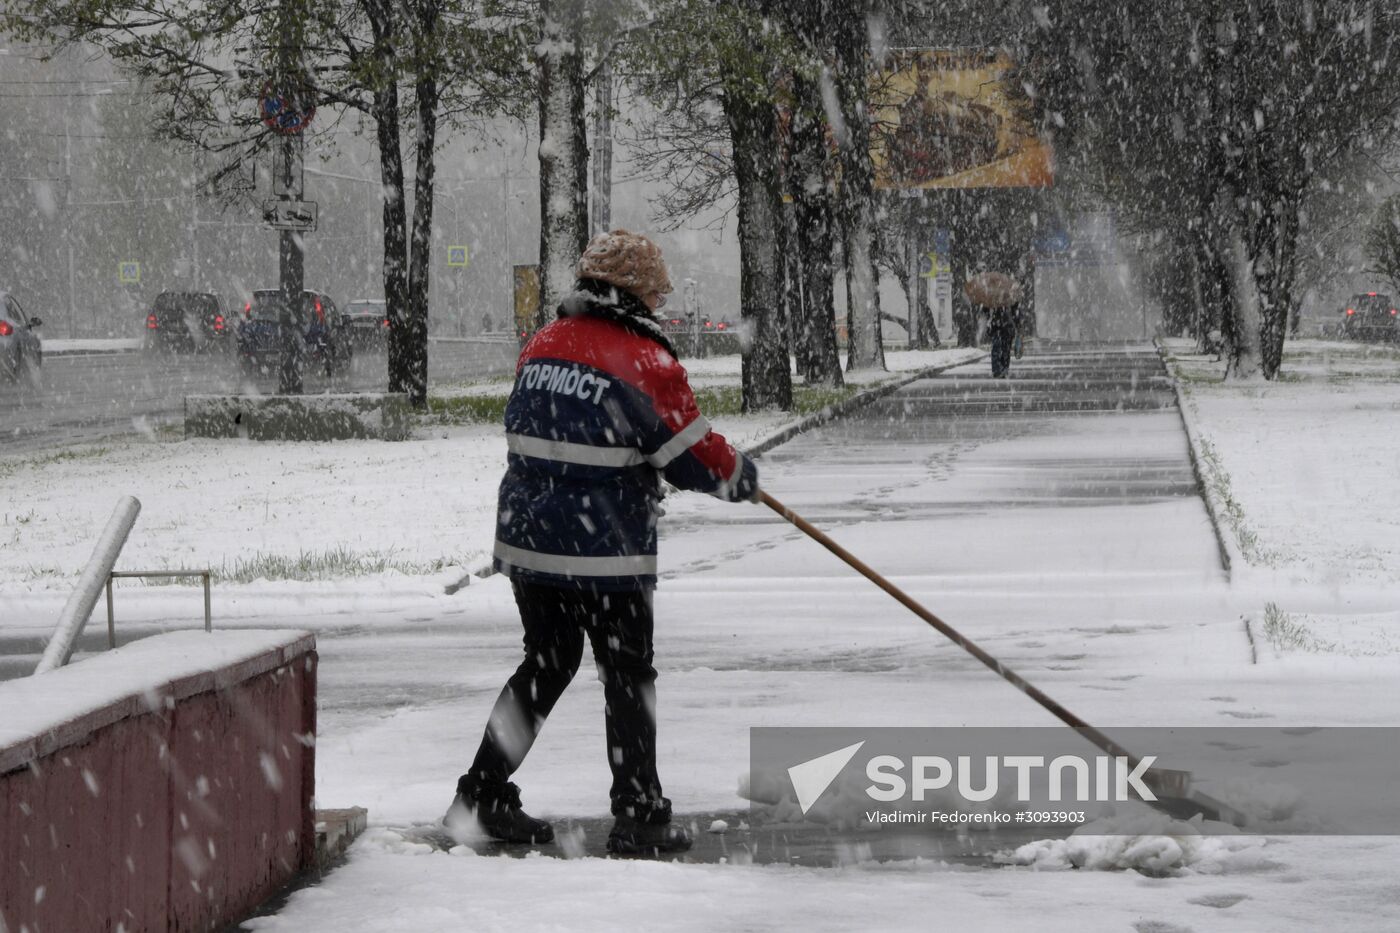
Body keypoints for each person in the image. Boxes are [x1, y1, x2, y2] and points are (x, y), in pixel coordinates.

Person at [447, 229, 761, 855]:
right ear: (634, 295)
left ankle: (479, 796)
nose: (659, 305)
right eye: (653, 293)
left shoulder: (542, 344)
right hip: (605, 550)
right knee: (626, 674)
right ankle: (640, 815)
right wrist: (736, 474)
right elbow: (687, 452)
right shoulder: (642, 358)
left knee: (546, 664)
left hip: (530, 541)